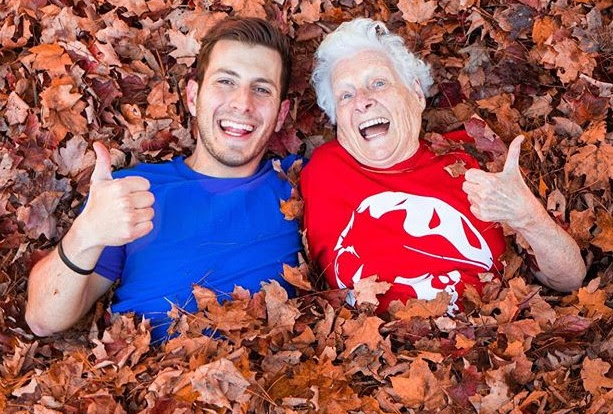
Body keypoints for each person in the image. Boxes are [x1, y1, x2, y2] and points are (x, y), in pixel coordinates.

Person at [26, 17, 302, 341]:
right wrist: (87, 232)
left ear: (281, 114)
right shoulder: (135, 189)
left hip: (262, 378)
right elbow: (42, 320)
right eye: (226, 81)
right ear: (192, 96)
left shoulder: (302, 182)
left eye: (261, 89)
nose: (242, 102)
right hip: (148, 381)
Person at [301, 18, 586, 313]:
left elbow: (570, 280)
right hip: (370, 349)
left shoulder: (471, 156)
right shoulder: (321, 173)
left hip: (483, 342)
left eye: (378, 83)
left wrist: (529, 217)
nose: (362, 101)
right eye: (346, 95)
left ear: (416, 93)